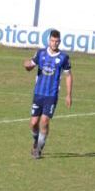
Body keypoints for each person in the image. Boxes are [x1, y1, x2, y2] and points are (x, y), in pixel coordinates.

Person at [23, 29, 72, 159]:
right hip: (38, 93)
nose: (54, 43)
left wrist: (68, 95)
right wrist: (27, 64)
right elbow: (30, 65)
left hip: (51, 95)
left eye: (57, 41)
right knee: (33, 123)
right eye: (52, 40)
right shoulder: (41, 53)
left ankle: (38, 149)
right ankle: (36, 140)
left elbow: (68, 76)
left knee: (44, 121)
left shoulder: (64, 57)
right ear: (49, 40)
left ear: (60, 42)